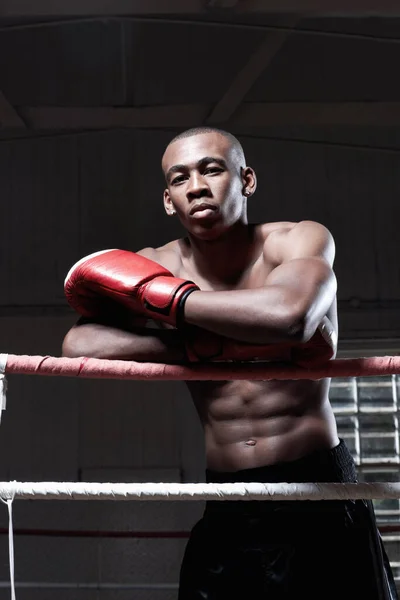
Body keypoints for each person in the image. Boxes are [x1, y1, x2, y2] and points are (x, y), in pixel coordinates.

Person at [62, 127, 397, 599]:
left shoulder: (296, 240)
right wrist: (212, 347)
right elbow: (79, 345)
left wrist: (173, 305)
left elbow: (291, 316)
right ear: (168, 200)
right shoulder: (155, 263)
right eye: (180, 179)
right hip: (228, 494)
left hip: (317, 484)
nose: (196, 185)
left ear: (247, 180)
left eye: (211, 169)